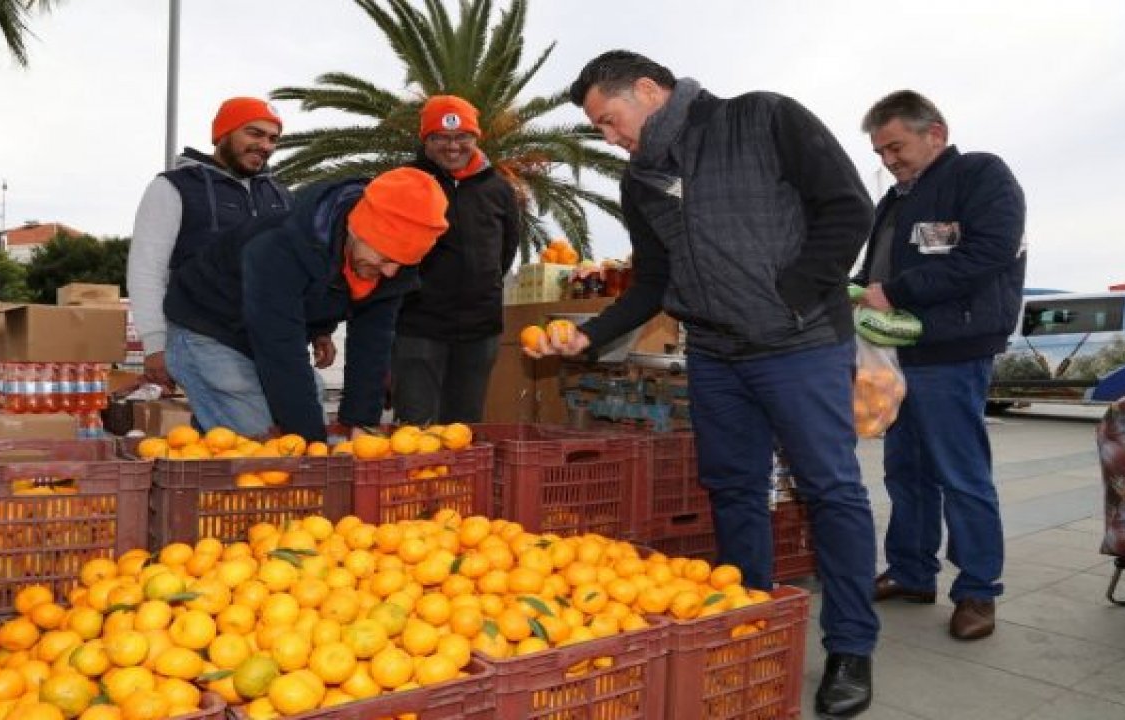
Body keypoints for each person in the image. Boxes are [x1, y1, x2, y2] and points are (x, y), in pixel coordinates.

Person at [547, 50, 880, 717]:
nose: (609, 137)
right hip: (717, 355)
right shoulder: (640, 181)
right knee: (732, 489)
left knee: (830, 488)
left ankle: (850, 647)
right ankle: (747, 619)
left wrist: (793, 295)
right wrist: (592, 333)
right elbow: (653, 281)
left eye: (610, 120)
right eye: (601, 130)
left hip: (802, 343)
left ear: (647, 90)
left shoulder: (762, 117)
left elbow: (848, 208)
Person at [854, 90, 1026, 641]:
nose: (888, 160)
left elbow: (988, 254)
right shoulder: (896, 199)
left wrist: (896, 290)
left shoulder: (980, 175)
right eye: (880, 151)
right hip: (896, 354)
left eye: (896, 146)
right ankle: (911, 571)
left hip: (953, 350)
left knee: (961, 474)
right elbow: (875, 269)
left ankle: (978, 591)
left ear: (936, 133)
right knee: (905, 471)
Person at [162, 167, 449, 440]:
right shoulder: (279, 249)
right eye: (386, 258)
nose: (390, 272)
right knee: (261, 441)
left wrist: (359, 425)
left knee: (303, 403)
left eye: (403, 262)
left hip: (259, 331)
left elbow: (372, 345)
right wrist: (311, 447)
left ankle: (210, 446)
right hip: (206, 326)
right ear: (357, 229)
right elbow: (280, 350)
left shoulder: (388, 270)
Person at [128, 96, 291, 390]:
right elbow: (146, 269)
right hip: (201, 337)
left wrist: (318, 330)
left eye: (272, 138)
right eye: (254, 133)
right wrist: (154, 344)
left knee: (299, 423)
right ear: (223, 134)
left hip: (271, 340)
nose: (265, 146)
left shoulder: (280, 195)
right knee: (244, 428)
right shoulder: (173, 187)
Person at [391, 95, 522, 424]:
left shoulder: (498, 188)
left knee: (464, 429)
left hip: (480, 330)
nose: (453, 147)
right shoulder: (405, 182)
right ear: (426, 140)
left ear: (476, 138)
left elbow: (506, 250)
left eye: (462, 137)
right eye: (441, 138)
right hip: (418, 328)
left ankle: (460, 479)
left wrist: (484, 285)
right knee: (416, 431)